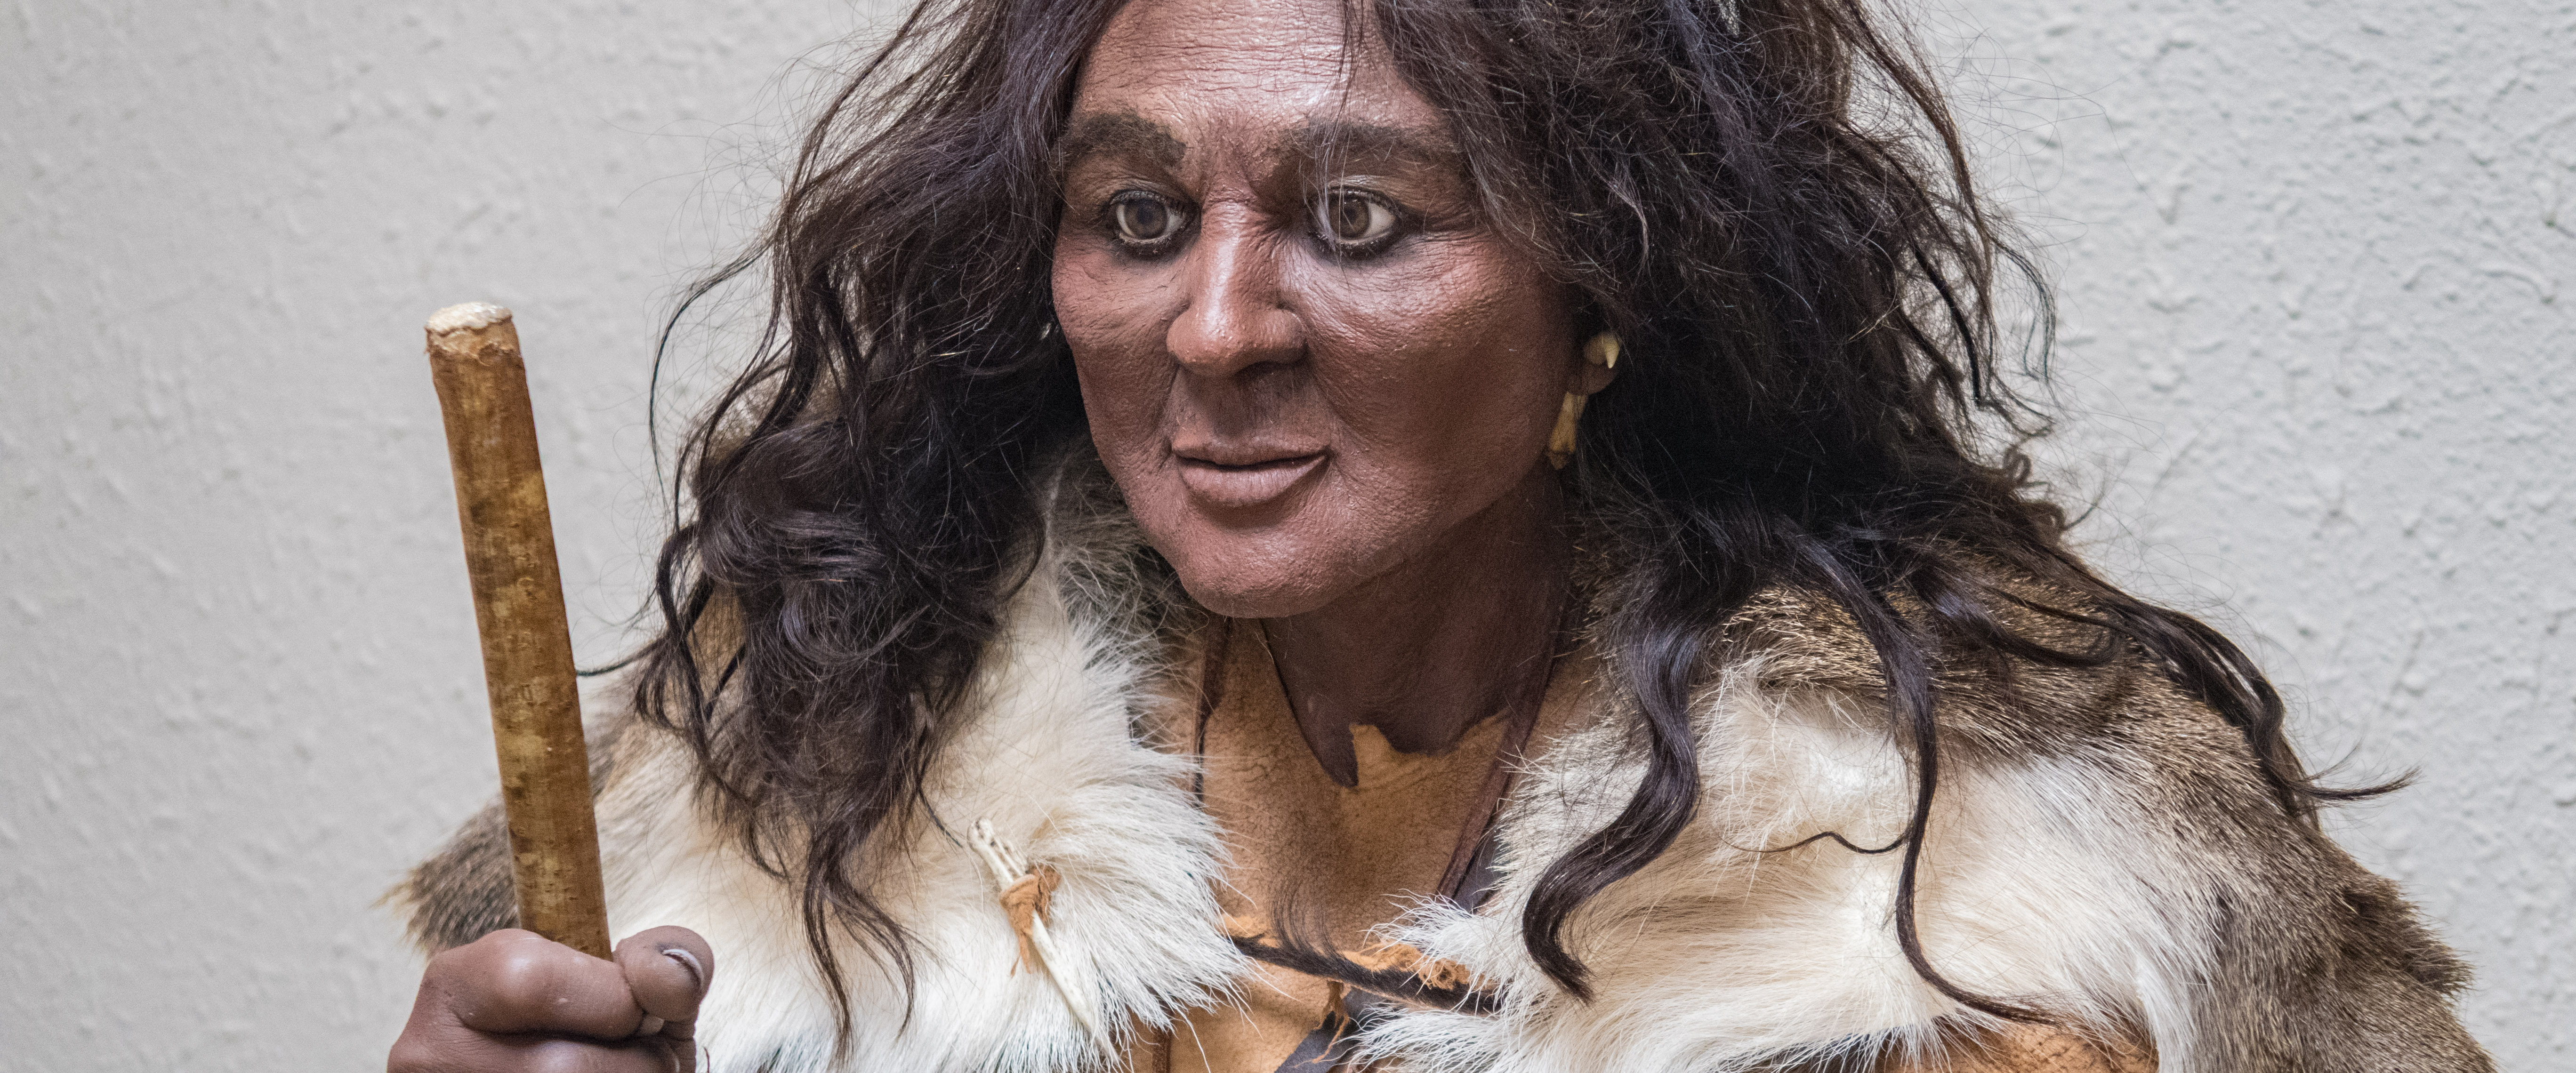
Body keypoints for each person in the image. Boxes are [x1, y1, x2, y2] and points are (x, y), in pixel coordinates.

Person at [386, 0, 2492, 1069]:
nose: (1216, 328)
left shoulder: (1967, 916)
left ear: (1604, 290)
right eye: (1138, 216)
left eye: (1361, 220)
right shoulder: (799, 797)